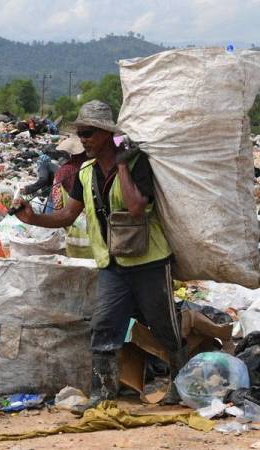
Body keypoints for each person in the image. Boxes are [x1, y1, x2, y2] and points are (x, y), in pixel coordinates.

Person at [14, 100, 186, 413]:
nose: (83, 139)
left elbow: (136, 207)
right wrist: (33, 218)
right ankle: (102, 393)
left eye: (88, 133)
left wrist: (122, 165)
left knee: (164, 327)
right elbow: (67, 215)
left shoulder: (138, 165)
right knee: (104, 328)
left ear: (107, 134)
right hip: (112, 265)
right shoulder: (84, 173)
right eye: (80, 133)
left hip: (149, 261)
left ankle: (182, 385)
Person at [51, 135, 93, 258]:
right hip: (100, 236)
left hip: (74, 235)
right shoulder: (95, 168)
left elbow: (57, 204)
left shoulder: (63, 172)